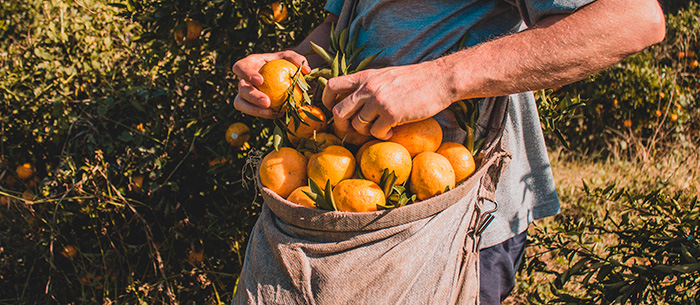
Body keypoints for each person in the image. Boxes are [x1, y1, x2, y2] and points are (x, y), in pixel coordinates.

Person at [232, 0, 666, 303]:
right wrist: (294, 70)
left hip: (451, 213)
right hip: (355, 196)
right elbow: (354, 21)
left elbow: (632, 17)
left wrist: (439, 79)